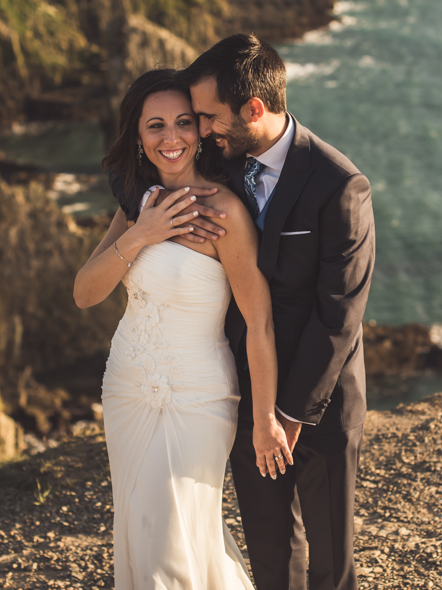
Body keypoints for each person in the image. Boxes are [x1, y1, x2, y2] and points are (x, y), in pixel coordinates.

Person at [112, 34, 376, 590]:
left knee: (331, 565)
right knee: (271, 555)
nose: (200, 130)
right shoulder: (219, 162)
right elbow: (142, 167)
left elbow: (339, 319)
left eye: (207, 117)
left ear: (253, 110)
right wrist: (141, 221)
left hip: (319, 404)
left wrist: (287, 415)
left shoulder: (340, 185)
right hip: (239, 392)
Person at [73, 68, 293, 590]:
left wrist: (265, 418)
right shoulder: (137, 205)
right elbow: (85, 293)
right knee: (146, 531)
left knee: (168, 545)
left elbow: (260, 321)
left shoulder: (225, 213)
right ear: (139, 137)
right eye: (155, 126)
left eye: (183, 123)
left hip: (196, 398)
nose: (170, 138)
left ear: (200, 131)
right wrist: (144, 232)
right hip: (127, 387)